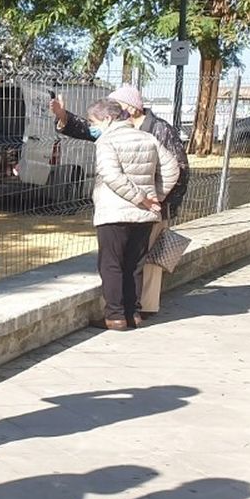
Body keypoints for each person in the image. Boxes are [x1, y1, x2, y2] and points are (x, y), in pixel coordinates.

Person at [52, 84, 187, 317]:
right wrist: (63, 117)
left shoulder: (159, 130)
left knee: (128, 264)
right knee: (134, 264)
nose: (117, 111)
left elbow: (179, 169)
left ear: (131, 109)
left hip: (140, 209)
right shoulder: (131, 133)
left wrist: (158, 200)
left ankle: (121, 314)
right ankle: (133, 313)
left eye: (119, 107)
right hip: (146, 209)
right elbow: (89, 127)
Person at [83, 100, 179, 331]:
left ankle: (115, 316)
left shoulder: (106, 141)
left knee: (111, 264)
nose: (91, 127)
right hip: (144, 216)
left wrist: (140, 197)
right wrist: (157, 195)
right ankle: (132, 313)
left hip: (114, 212)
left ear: (107, 119)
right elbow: (172, 168)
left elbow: (110, 175)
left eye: (92, 122)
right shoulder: (148, 138)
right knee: (134, 265)